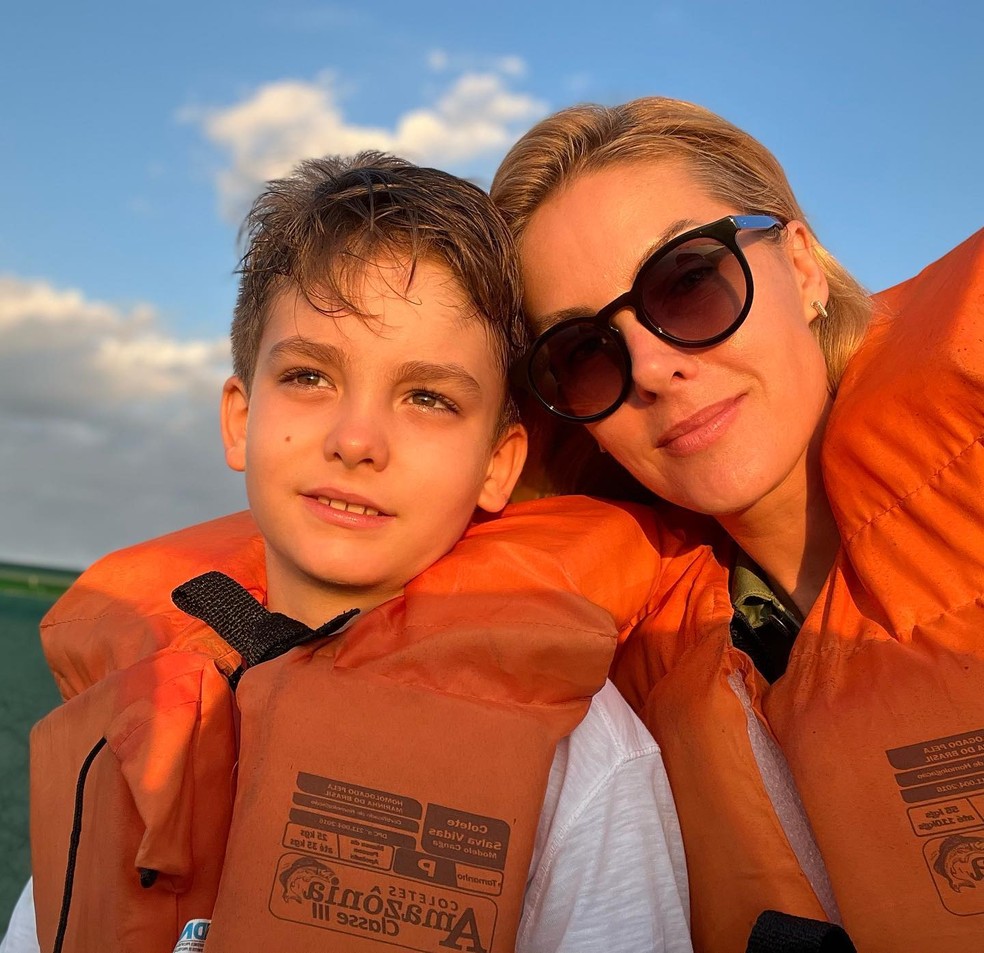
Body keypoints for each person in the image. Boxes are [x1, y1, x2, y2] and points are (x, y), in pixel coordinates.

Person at [11, 154, 694, 953]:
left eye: (429, 398)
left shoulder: (583, 764)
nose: (357, 440)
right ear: (240, 416)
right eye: (309, 376)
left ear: (499, 463)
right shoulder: (130, 713)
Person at [490, 96, 984, 953]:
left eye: (686, 280)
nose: (650, 366)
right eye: (583, 351)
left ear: (800, 266)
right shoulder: (620, 693)